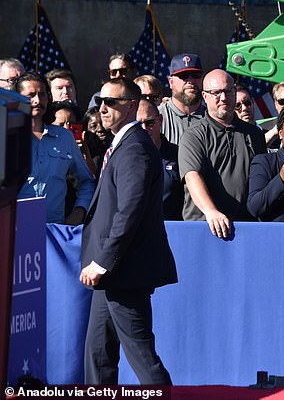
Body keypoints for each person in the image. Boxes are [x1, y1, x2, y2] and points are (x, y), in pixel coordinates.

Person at [80, 77, 177, 385]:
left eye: (111, 102)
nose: (102, 108)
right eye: (100, 102)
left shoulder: (135, 148)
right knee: (98, 353)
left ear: (132, 105)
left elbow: (129, 213)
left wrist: (102, 261)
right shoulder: (123, 144)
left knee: (142, 356)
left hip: (123, 271)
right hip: (113, 273)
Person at [178, 69, 266, 236]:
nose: (224, 98)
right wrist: (211, 212)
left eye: (228, 91)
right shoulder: (194, 135)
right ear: (204, 96)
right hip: (205, 228)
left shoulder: (254, 134)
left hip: (246, 229)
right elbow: (192, 176)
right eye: (216, 93)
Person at [16, 72, 95, 225]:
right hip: (15, 231)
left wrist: (79, 212)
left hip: (55, 229)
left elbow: (87, 181)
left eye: (42, 94)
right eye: (30, 95)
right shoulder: (7, 136)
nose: (37, 100)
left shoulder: (64, 138)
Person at [137, 99, 184, 221]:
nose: (144, 128)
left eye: (150, 123)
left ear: (160, 120)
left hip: (172, 231)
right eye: (138, 125)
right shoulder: (123, 158)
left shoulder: (179, 155)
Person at [159, 53, 206, 145]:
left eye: (196, 75)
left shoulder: (213, 116)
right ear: (171, 82)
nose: (190, 81)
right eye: (183, 76)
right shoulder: (157, 118)